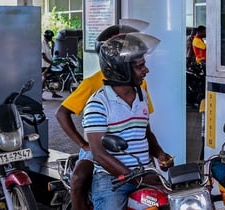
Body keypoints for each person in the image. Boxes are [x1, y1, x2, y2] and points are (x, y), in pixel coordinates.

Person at [55, 23, 154, 210]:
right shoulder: (94, 85)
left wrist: (158, 155)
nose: (145, 70)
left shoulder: (140, 90)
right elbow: (61, 113)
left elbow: (143, 128)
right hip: (99, 145)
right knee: (79, 177)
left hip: (135, 162)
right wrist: (84, 145)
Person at [83, 32, 173, 209]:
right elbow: (99, 153)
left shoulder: (142, 95)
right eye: (140, 67)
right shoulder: (98, 104)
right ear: (121, 71)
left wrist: (160, 154)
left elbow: (145, 132)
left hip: (145, 173)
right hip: (112, 180)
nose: (146, 70)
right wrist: (137, 178)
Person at [41, 29, 60, 98]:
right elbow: (43, 56)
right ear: (48, 37)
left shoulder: (48, 43)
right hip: (44, 65)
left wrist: (53, 46)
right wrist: (51, 62)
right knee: (44, 78)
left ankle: (53, 93)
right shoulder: (42, 43)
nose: (51, 38)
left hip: (48, 65)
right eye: (51, 37)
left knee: (53, 78)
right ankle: (40, 94)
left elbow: (50, 54)